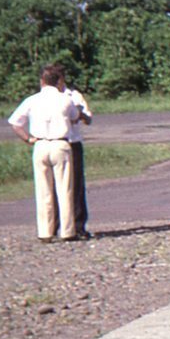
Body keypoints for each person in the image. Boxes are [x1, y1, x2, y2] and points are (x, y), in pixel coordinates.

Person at [7, 65, 82, 243]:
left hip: (40, 144)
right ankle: (67, 231)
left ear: (42, 81)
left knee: (43, 191)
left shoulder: (32, 100)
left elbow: (15, 123)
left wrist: (28, 138)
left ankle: (45, 232)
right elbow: (75, 116)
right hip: (60, 144)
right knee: (64, 189)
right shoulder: (65, 99)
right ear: (59, 81)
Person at [56, 71, 95, 240]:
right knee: (55, 185)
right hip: (56, 141)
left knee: (77, 184)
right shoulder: (45, 97)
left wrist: (79, 115)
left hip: (73, 141)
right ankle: (57, 225)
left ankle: (79, 225)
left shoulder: (73, 95)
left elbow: (87, 117)